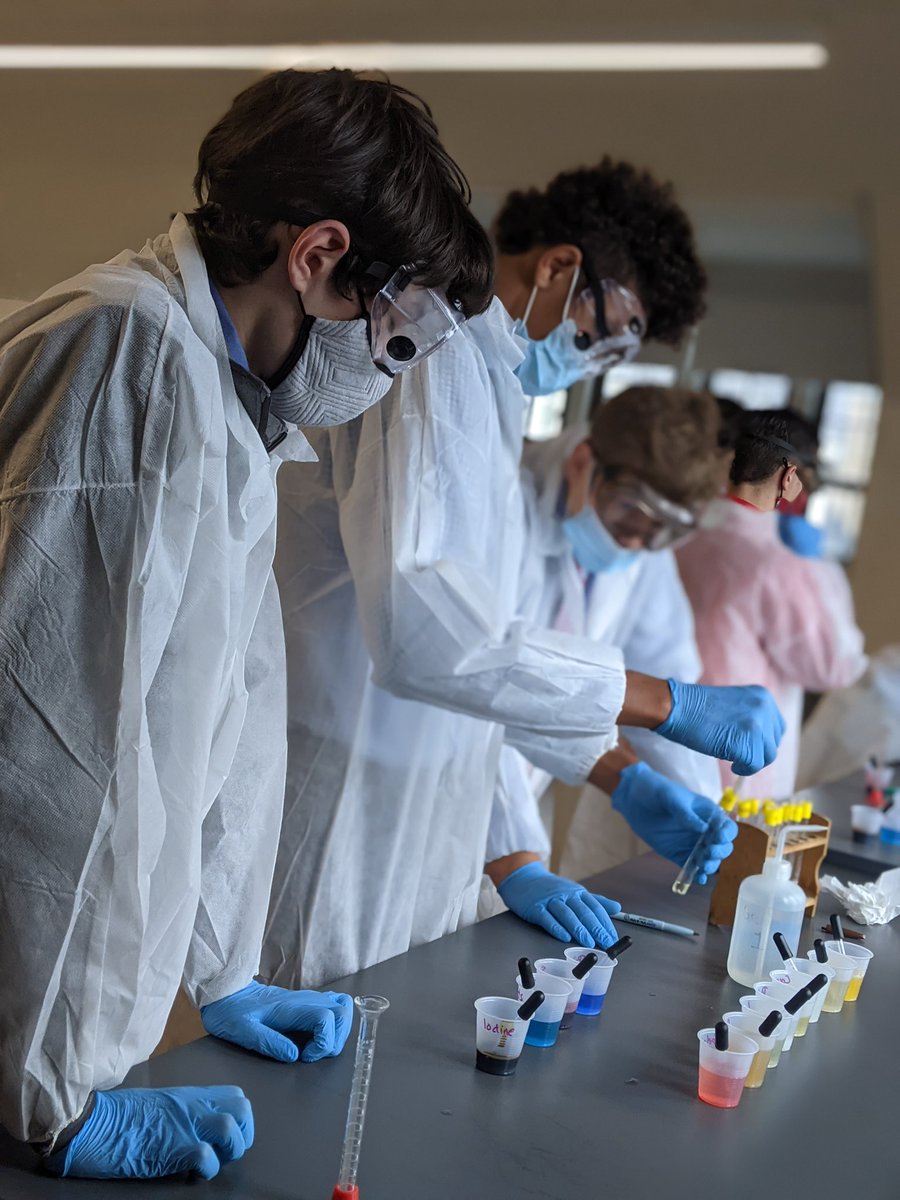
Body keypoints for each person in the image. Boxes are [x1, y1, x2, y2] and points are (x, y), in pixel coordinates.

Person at [0, 68, 493, 1180]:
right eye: (396, 336)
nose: (382, 372)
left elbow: (219, 706)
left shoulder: (221, 390)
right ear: (317, 258)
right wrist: (48, 1093)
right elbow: (51, 758)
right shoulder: (130, 355)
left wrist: (222, 968)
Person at [263, 159, 784, 990]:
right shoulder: (432, 359)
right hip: (338, 779)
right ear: (557, 268)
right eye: (610, 330)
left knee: (381, 1042)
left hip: (409, 786)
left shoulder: (489, 385)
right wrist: (664, 705)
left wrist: (619, 774)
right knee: (320, 1052)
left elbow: (480, 665)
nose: (599, 360)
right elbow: (428, 637)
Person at [484, 386, 732, 895]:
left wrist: (697, 803)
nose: (636, 542)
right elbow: (474, 693)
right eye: (626, 516)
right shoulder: (502, 505)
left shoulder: (640, 551)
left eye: (659, 535)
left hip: (520, 793)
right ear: (583, 463)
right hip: (403, 785)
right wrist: (513, 856)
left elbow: (670, 677)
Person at [677, 409, 867, 799]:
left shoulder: (684, 532)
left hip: (664, 737)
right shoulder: (778, 565)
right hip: (732, 763)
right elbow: (834, 667)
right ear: (789, 475)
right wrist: (817, 571)